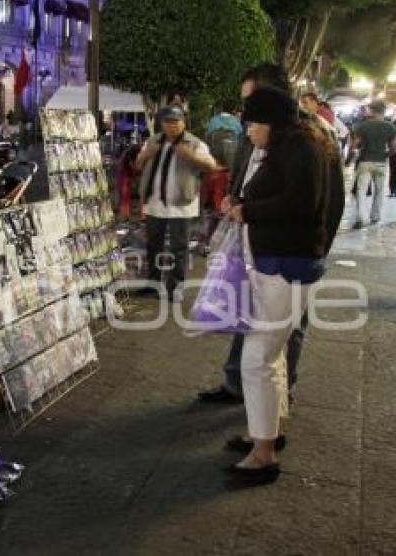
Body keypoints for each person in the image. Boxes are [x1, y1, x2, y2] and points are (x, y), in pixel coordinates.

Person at [199, 63, 345, 405]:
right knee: (245, 312)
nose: (247, 115)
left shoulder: (312, 136)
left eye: (253, 101)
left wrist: (319, 246)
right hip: (256, 241)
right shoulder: (261, 132)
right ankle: (240, 385)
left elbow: (324, 199)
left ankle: (279, 394)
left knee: (284, 330)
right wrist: (237, 198)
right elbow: (250, 173)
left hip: (291, 251)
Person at [223, 86, 334, 485]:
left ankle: (264, 454)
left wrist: (246, 211)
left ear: (270, 121)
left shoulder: (301, 150)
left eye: (252, 123)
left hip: (287, 266)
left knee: (257, 358)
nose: (249, 132)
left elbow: (300, 204)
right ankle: (266, 432)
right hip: (281, 263)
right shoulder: (294, 147)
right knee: (270, 356)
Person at [135, 106, 217, 299]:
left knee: (178, 248)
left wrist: (191, 156)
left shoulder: (195, 143)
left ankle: (175, 288)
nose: (172, 126)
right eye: (168, 122)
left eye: (176, 121)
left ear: (183, 122)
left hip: (181, 205)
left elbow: (212, 166)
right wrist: (146, 154)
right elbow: (138, 165)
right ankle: (153, 285)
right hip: (155, 203)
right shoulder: (153, 141)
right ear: (162, 123)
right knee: (153, 245)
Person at [351, 100, 396, 229]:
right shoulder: (391, 127)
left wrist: (351, 156)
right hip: (381, 162)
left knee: (361, 191)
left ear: (372, 110)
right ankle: (375, 216)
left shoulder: (363, 126)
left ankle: (361, 218)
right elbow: (394, 149)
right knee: (379, 191)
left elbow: (354, 144)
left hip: (365, 160)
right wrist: (384, 155)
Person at [116, 145, 141, 219]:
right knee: (124, 193)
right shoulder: (124, 161)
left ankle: (142, 213)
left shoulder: (140, 156)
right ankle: (124, 214)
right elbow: (124, 173)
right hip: (124, 174)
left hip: (133, 172)